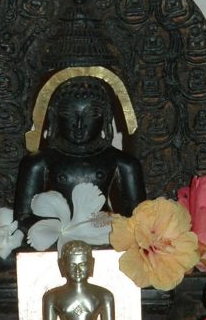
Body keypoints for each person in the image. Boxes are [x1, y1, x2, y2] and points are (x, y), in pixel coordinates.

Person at [14, 76, 146, 233]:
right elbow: (23, 219)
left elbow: (138, 218)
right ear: (54, 115)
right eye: (68, 114)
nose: (79, 124)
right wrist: (57, 233)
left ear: (106, 116)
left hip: (104, 231)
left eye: (91, 114)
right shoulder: (38, 162)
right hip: (58, 234)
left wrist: (111, 227)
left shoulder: (123, 162)